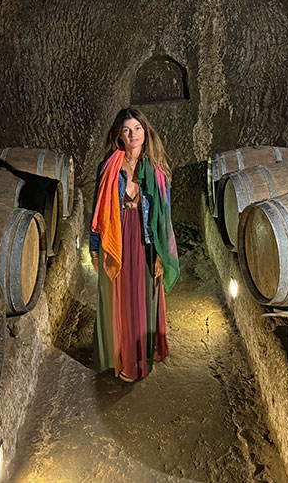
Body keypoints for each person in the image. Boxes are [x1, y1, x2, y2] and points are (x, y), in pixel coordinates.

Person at [89, 107, 179, 382]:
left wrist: (163, 254)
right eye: (127, 130)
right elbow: (98, 211)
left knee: (141, 298)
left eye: (137, 128)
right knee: (118, 299)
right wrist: (94, 248)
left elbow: (165, 216)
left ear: (145, 131)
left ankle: (138, 360)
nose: (133, 134)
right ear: (119, 135)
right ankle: (120, 355)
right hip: (116, 236)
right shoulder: (108, 167)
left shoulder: (156, 169)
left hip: (144, 238)